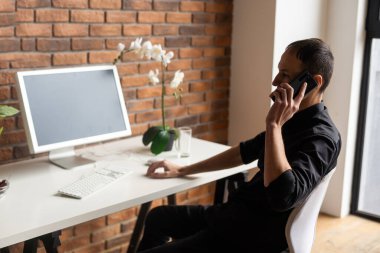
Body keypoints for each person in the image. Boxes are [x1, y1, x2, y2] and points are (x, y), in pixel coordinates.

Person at [137, 38, 341, 253]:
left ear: (313, 82)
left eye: (285, 75)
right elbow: (243, 153)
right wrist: (183, 169)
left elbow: (284, 195)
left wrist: (273, 125)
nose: (274, 81)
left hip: (247, 237)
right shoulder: (294, 120)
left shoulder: (322, 138)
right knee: (157, 217)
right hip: (233, 216)